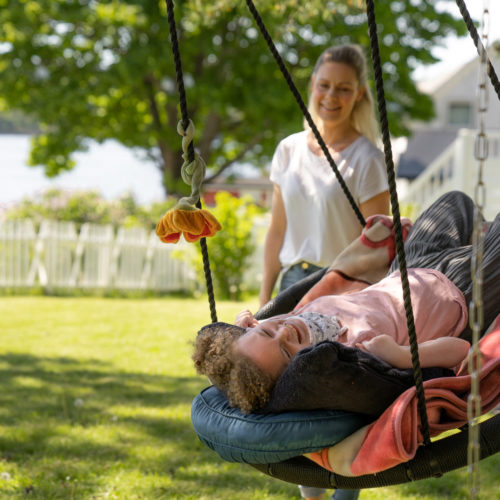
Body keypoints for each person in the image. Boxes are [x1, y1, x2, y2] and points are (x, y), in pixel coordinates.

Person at [193, 191, 500, 499]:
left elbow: (267, 336)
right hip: (464, 292)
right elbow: (462, 353)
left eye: (266, 333)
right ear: (294, 370)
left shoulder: (289, 323)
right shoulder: (355, 355)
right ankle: (482, 246)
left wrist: (252, 327)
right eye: (287, 351)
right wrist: (404, 357)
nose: (285, 333)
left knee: (455, 200)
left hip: (409, 269)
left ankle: (477, 241)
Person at [259, 44, 390, 312]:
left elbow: (377, 248)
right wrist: (264, 301)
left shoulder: (368, 160)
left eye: (343, 88)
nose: (331, 96)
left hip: (341, 287)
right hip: (291, 284)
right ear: (312, 86)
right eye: (325, 85)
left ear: (359, 94)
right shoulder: (288, 150)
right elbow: (277, 230)